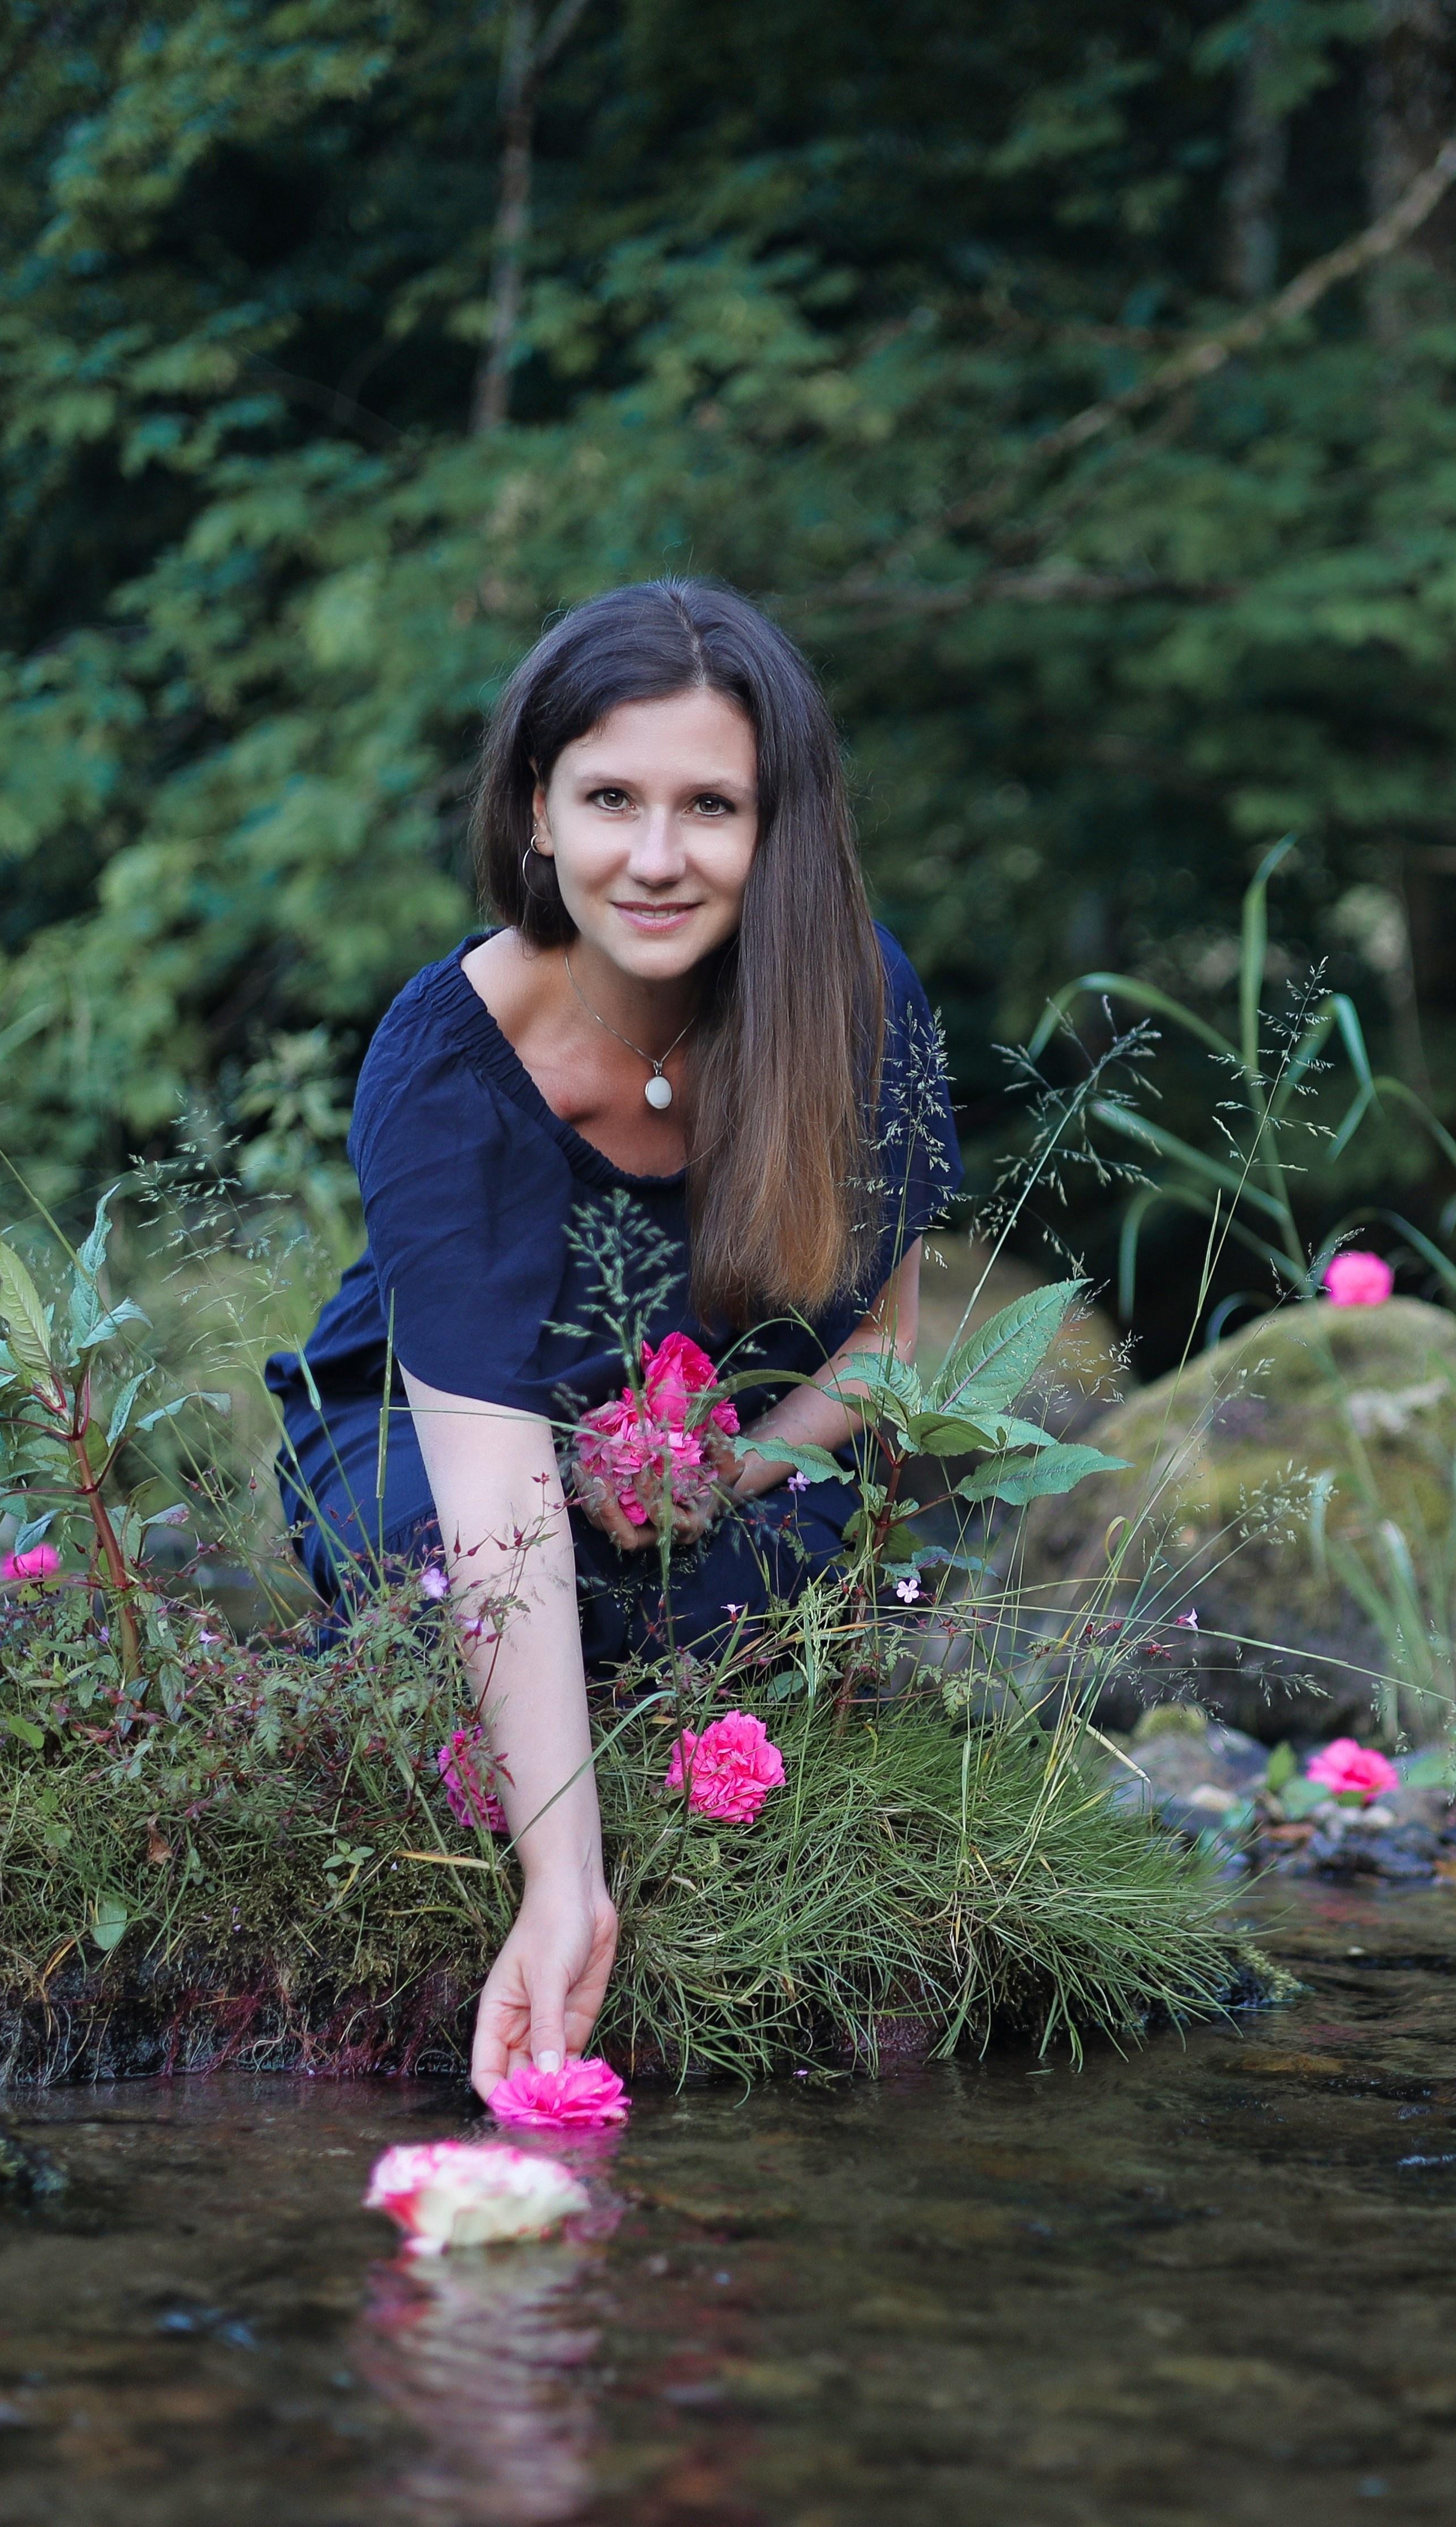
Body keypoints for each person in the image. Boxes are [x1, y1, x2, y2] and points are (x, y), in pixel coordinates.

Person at [263, 580, 958, 2101]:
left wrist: (734, 1477)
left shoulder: (857, 1000)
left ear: (779, 827)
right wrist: (563, 1889)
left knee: (767, 1578)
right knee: (440, 1563)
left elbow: (889, 1349)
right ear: (534, 809)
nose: (657, 858)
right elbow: (499, 1488)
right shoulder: (445, 1060)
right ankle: (527, 1734)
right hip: (440, 1438)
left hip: (741, 1449)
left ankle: (559, 1688)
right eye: (610, 799)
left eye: (711, 804)